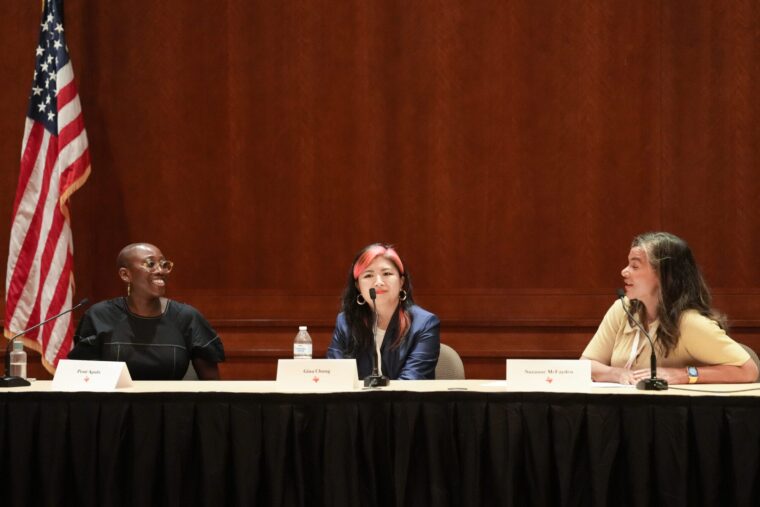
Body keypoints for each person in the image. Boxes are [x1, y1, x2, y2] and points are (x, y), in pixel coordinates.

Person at [582, 232, 758, 385]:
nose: (624, 271)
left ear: (664, 275)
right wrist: (616, 374)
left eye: (635, 266)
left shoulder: (690, 323)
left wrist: (683, 375)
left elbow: (748, 370)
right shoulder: (623, 309)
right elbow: (586, 364)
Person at [68, 243, 224, 380]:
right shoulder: (99, 315)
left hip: (171, 409)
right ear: (125, 274)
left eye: (163, 264)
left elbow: (212, 385)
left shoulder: (187, 317)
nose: (161, 270)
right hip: (113, 410)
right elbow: (82, 379)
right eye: (150, 264)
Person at [327, 243, 440, 380]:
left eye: (387, 273)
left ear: (401, 282)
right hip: (355, 401)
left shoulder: (424, 324)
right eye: (368, 275)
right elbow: (335, 379)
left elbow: (410, 385)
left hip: (406, 401)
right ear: (358, 286)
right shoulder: (346, 322)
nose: (378, 282)